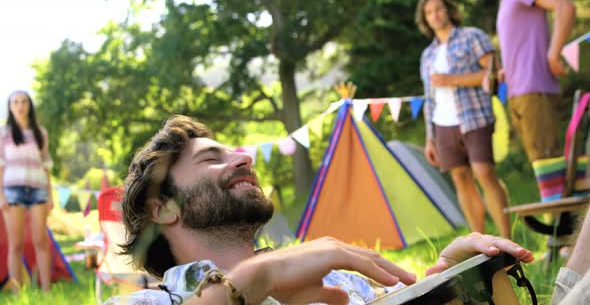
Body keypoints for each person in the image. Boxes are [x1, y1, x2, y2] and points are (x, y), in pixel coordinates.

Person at [103, 115, 534, 304]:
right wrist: (256, 279)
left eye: (235, 152)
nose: (243, 159)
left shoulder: (338, 278)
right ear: (162, 209)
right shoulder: (146, 302)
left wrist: (450, 281)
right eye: (211, 159)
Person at [416, 0, 510, 239]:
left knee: (484, 173)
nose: (435, 14)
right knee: (460, 179)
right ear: (425, 19)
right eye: (429, 12)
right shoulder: (427, 56)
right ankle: (480, 243)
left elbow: (492, 74)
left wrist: (451, 80)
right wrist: (430, 138)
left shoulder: (472, 37)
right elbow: (429, 98)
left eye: (438, 9)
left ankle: (506, 239)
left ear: (447, 10)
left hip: (475, 117)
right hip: (442, 124)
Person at [496, 0, 576, 162]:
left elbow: (565, 7)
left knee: (547, 165)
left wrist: (554, 54)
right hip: (517, 92)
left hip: (533, 88)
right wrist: (508, 69)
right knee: (541, 166)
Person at [0, 90, 54, 292]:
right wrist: (0, 196)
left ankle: (47, 291)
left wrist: (50, 195)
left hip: (38, 191)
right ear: (10, 106)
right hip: (11, 192)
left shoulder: (41, 133)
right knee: (16, 244)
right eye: (16, 102)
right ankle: (17, 292)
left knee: (41, 240)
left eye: (24, 101)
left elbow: (46, 165)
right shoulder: (3, 134)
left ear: (29, 105)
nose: (20, 105)